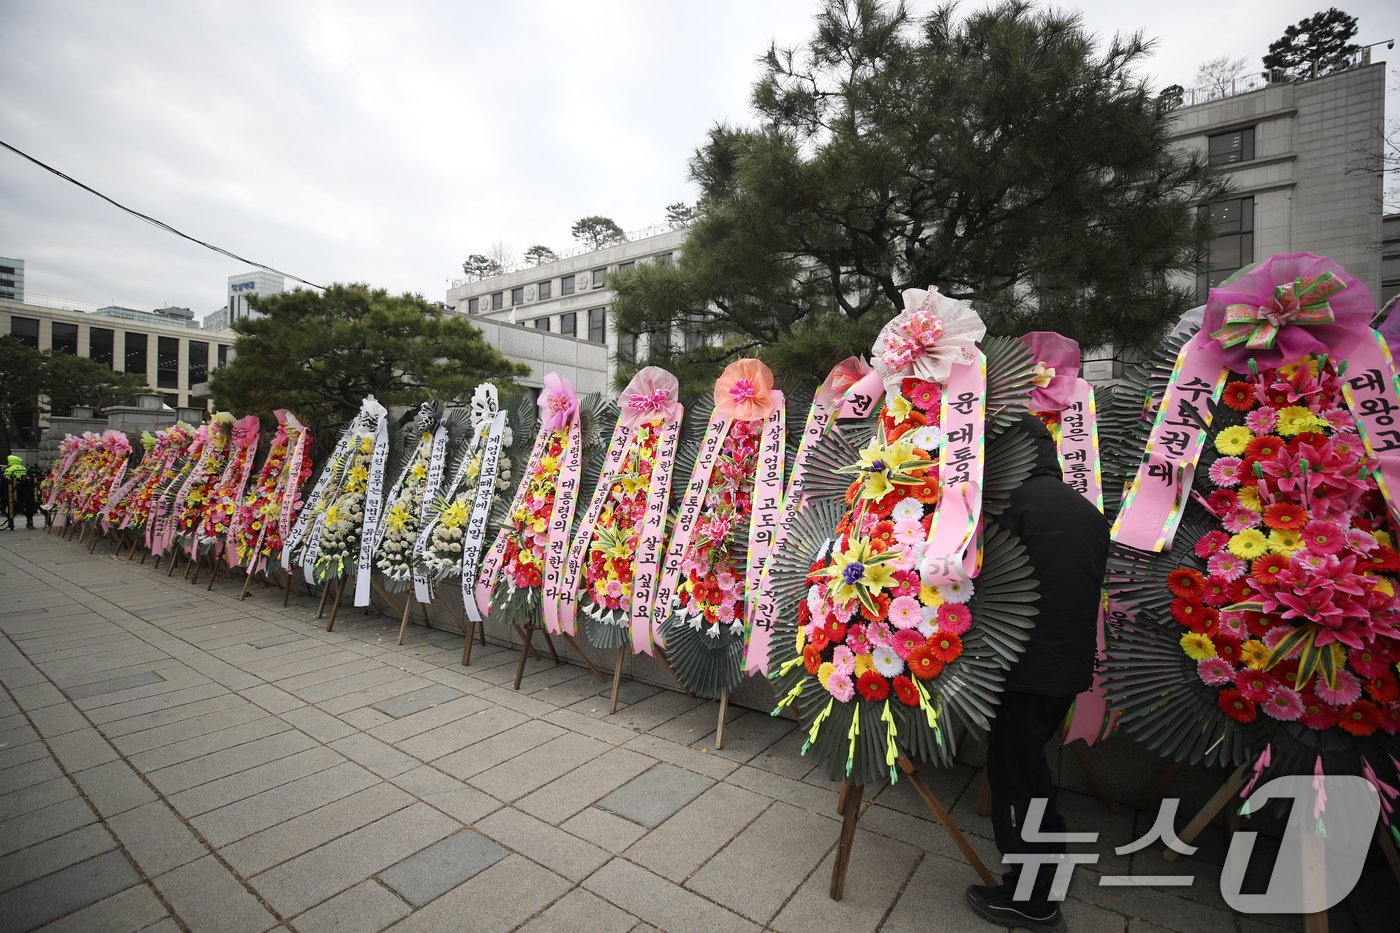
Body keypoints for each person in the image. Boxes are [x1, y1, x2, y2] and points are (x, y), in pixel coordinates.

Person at [965, 413, 1109, 932]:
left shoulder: (1009, 508)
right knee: (1032, 769)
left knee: (1018, 775)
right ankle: (1047, 869)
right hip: (1065, 668)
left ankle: (1032, 899)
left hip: (1021, 667)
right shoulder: (1086, 511)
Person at [4, 454, 38, 530]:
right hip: (25, 490)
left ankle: (11, 523)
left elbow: (6, 478)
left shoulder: (10, 469)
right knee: (28, 506)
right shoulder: (23, 468)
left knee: (12, 507)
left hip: (13, 490)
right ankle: (29, 522)